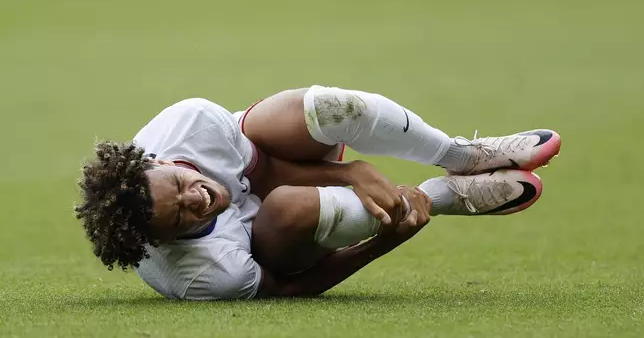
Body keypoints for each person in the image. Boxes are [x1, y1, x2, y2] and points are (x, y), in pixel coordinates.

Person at [75, 85, 561, 300]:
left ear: (158, 161)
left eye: (181, 185)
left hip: (269, 165)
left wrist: (351, 172)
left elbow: (265, 170)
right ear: (162, 241)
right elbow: (291, 287)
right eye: (181, 216)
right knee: (288, 207)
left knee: (328, 108)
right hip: (276, 241)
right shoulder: (202, 273)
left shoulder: (190, 123)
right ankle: (442, 196)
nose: (197, 199)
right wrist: (385, 241)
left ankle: (463, 157)